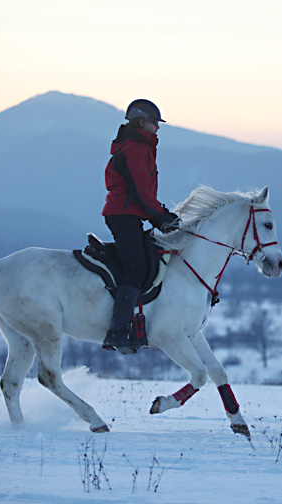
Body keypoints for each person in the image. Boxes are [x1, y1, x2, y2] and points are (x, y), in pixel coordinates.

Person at [101, 99, 180, 353]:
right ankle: (117, 332)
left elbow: (142, 192)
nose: (158, 128)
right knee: (136, 268)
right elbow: (140, 190)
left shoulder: (140, 146)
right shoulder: (135, 148)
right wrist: (160, 215)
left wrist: (159, 215)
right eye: (155, 123)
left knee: (146, 262)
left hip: (129, 214)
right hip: (123, 214)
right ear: (141, 122)